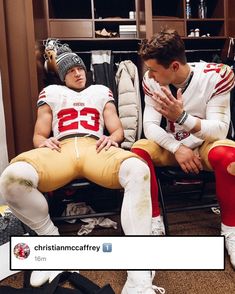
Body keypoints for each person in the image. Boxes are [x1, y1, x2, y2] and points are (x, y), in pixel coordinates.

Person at [0, 43, 165, 294]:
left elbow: (117, 128)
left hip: (94, 147)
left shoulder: (101, 91)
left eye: (80, 68)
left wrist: (114, 137)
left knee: (138, 169)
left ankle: (138, 272)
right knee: (12, 178)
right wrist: (44, 142)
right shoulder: (51, 92)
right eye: (71, 71)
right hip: (61, 149)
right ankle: (51, 242)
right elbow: (38, 134)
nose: (78, 73)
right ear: (61, 75)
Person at [131, 28, 235, 267]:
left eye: (155, 70)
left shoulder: (216, 76)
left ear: (175, 66)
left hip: (204, 144)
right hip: (171, 145)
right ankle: (154, 221)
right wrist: (176, 147)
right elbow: (149, 126)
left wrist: (182, 117)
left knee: (230, 157)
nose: (151, 76)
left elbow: (220, 130)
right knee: (137, 153)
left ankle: (231, 229)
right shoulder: (151, 80)